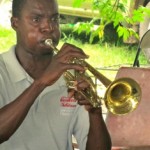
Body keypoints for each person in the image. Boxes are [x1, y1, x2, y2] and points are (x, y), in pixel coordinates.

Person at [0, 0, 111, 149]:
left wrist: (95, 113)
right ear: (15, 23)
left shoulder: (74, 75)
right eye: (36, 19)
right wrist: (40, 83)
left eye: (54, 19)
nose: (49, 27)